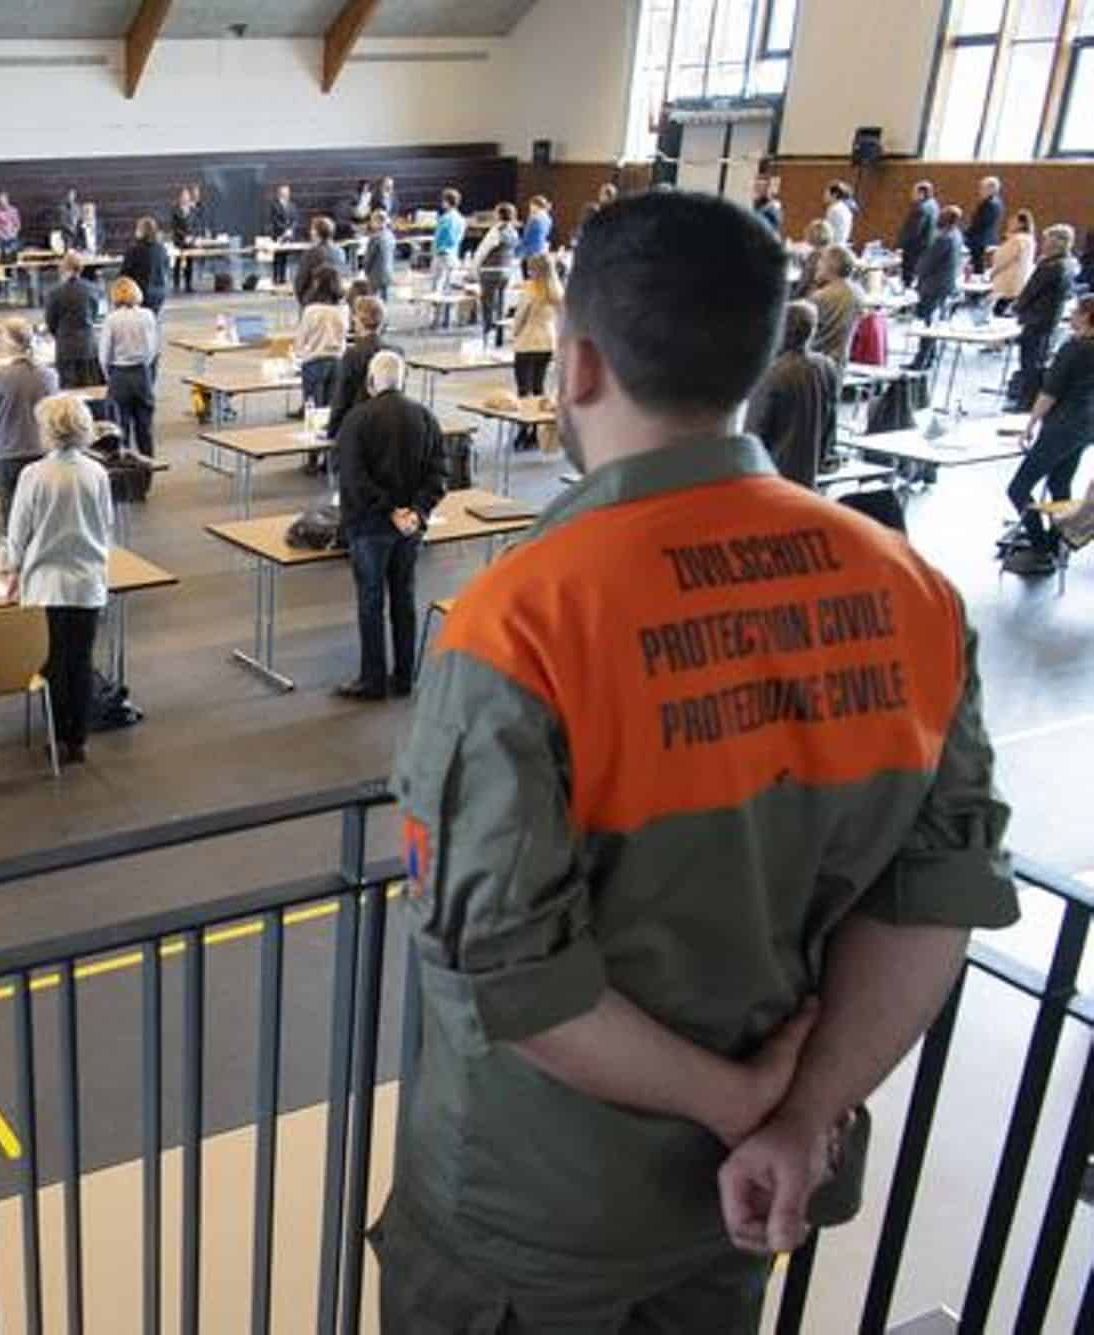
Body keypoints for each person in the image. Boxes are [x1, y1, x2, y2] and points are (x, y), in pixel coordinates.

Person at [375, 187, 1017, 1333]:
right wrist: (795, 1115)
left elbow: (514, 981)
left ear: (576, 368)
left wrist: (740, 1098)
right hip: (749, 1201)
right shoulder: (911, 592)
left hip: (535, 1219)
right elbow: (934, 901)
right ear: (759, 361)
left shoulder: (519, 625)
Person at [6, 394, 115, 766]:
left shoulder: (33, 475)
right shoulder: (96, 472)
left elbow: (18, 531)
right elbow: (106, 525)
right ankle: (78, 739)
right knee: (81, 661)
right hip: (87, 582)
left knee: (52, 664)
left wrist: (13, 570)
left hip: (45, 584)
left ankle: (56, 736)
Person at [333, 349, 447, 702]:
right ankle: (404, 676)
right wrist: (416, 511)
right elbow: (439, 475)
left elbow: (352, 478)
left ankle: (373, 679)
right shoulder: (426, 417)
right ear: (403, 379)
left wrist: (388, 510)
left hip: (370, 525)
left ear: (371, 381)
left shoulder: (357, 420)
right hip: (409, 528)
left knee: (371, 601)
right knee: (404, 597)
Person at [1005, 296, 1094, 575]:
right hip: (1085, 425)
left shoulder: (1073, 349)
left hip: (1061, 425)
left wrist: (1030, 424)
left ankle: (1039, 544)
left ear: (1087, 316)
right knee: (1060, 484)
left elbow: (1049, 393)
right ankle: (1057, 542)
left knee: (1018, 487)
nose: (1073, 315)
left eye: (1078, 311)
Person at [743, 300, 839, 489]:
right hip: (809, 473)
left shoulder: (771, 375)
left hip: (773, 475)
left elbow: (755, 432)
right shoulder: (825, 367)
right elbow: (831, 418)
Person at [0, 317, 60, 519]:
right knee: (43, 516)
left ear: (9, 342)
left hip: (9, 453)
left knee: (14, 519)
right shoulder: (49, 375)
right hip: (43, 451)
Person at [1010, 225, 1079, 412]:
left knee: (1030, 363)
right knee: (1039, 361)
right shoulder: (1070, 263)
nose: (1044, 244)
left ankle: (1025, 402)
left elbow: (1031, 291)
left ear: (1056, 242)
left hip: (1036, 319)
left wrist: (1016, 308)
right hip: (1050, 319)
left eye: (1047, 240)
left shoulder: (1050, 266)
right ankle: (1031, 399)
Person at [325, 295, 398, 460]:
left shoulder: (352, 355)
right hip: (390, 421)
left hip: (359, 423)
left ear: (358, 320)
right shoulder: (396, 352)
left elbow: (342, 396)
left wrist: (331, 430)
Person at [293, 266, 349, 475]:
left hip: (314, 362)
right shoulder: (343, 309)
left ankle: (312, 459)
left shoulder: (311, 311)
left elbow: (301, 340)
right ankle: (329, 460)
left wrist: (299, 355)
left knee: (313, 410)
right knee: (331, 411)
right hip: (336, 362)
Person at [99, 276, 158, 458]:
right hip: (141, 373)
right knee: (145, 427)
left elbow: (104, 354)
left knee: (120, 427)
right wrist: (144, 367)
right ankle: (148, 467)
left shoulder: (112, 319)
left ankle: (125, 469)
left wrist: (109, 375)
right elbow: (152, 348)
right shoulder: (148, 315)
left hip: (120, 374)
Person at [511, 252, 565, 437]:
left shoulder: (531, 290)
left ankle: (523, 428)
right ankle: (536, 430)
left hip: (528, 342)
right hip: (547, 343)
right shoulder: (557, 291)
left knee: (524, 390)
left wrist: (514, 334)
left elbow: (520, 317)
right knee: (538, 387)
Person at [908, 207, 968, 371]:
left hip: (933, 286)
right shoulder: (957, 236)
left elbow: (928, 262)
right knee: (934, 323)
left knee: (928, 325)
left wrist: (917, 274)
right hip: (946, 285)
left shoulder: (944, 238)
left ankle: (921, 359)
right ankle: (929, 357)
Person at [44, 253, 104, 389]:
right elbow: (95, 315)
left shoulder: (54, 292)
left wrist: (58, 334)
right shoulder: (93, 289)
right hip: (88, 343)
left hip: (65, 344)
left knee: (68, 388)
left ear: (63, 269)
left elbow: (50, 321)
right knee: (89, 387)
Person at [809, 245, 864, 366]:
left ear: (831, 266)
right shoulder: (859, 292)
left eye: (821, 260)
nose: (817, 265)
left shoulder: (820, 297)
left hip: (815, 362)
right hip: (840, 361)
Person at [473, 205, 520, 345]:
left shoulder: (496, 231)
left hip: (490, 271)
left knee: (487, 304)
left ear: (499, 215)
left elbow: (482, 251)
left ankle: (487, 334)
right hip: (506, 270)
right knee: (501, 304)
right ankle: (499, 336)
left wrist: (474, 269)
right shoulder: (514, 232)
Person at [989, 209, 1037, 317]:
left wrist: (992, 273)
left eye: (1013, 221)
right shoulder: (1029, 239)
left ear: (1021, 224)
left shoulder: (1017, 240)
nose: (1009, 223)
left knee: (999, 311)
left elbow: (1003, 258)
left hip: (1009, 282)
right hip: (1019, 281)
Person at [119, 216, 169, 314]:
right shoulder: (161, 248)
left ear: (140, 231)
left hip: (141, 293)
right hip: (160, 292)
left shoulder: (134, 249)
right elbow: (166, 267)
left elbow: (125, 274)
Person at [294, 217, 348, 308]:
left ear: (315, 232)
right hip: (335, 299)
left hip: (314, 300)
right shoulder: (340, 252)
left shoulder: (311, 253)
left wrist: (302, 299)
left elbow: (301, 279)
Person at [897, 181, 939, 287]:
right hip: (927, 246)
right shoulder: (934, 205)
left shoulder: (921, 208)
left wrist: (901, 245)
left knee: (908, 276)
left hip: (915, 248)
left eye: (914, 192)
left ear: (921, 194)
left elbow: (914, 231)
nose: (912, 195)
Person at [968, 176, 1006, 273]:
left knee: (978, 267)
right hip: (986, 238)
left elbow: (980, 223)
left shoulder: (989, 204)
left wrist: (967, 233)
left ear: (991, 189)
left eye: (983, 188)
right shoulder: (997, 202)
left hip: (980, 240)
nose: (980, 191)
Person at [432, 189, 466, 290]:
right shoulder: (461, 219)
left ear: (446, 201)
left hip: (442, 254)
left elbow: (438, 238)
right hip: (453, 255)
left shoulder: (444, 219)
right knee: (449, 287)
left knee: (437, 287)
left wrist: (433, 251)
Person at [170, 187, 200, 295]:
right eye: (183, 195)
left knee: (189, 262)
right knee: (178, 263)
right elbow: (174, 227)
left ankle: (188, 285)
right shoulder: (175, 210)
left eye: (187, 195)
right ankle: (176, 285)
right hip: (179, 240)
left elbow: (196, 225)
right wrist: (184, 237)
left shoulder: (193, 210)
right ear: (179, 197)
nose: (185, 197)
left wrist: (193, 237)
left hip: (190, 241)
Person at [362, 209, 397, 303]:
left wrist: (365, 270)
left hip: (375, 274)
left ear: (377, 221)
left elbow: (369, 257)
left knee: (372, 300)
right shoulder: (391, 236)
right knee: (384, 299)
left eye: (372, 221)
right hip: (388, 271)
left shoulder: (374, 238)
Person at [268, 183, 299, 286]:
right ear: (279, 193)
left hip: (289, 236)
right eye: (284, 192)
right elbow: (274, 220)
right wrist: (284, 230)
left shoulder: (292, 205)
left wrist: (290, 230)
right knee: (277, 257)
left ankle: (283, 278)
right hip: (278, 235)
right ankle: (276, 278)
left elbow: (295, 220)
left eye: (287, 192)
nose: (286, 194)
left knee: (285, 257)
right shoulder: (274, 205)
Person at [518, 195, 554, 262]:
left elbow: (527, 235)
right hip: (541, 247)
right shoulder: (548, 218)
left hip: (531, 249)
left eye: (530, 206)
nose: (530, 208)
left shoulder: (534, 218)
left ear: (534, 205)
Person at [0, 190, 23, 261]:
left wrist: (13, 233)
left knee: (14, 252)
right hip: (1, 238)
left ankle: (14, 267)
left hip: (12, 237)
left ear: (7, 200)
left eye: (3, 200)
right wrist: (2, 235)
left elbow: (17, 224)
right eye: (0, 200)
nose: (2, 202)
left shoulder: (14, 210)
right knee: (2, 255)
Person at [823, 181, 856, 247]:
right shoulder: (845, 208)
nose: (824, 195)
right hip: (841, 246)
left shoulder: (834, 209)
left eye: (826, 193)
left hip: (833, 247)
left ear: (835, 195)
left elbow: (827, 233)